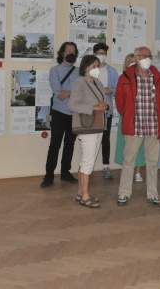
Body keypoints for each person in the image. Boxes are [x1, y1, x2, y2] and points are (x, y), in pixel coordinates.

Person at [116, 46, 160, 206]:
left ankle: (153, 194)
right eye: (143, 56)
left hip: (153, 125)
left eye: (149, 55)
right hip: (134, 126)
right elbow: (120, 102)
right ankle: (124, 193)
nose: (146, 58)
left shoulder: (158, 77)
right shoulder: (125, 77)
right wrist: (128, 115)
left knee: (153, 162)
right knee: (129, 160)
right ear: (136, 58)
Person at [69, 55, 108, 208]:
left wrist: (105, 106)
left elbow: (102, 101)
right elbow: (72, 105)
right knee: (88, 162)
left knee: (86, 160)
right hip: (87, 126)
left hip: (98, 125)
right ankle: (85, 196)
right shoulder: (79, 82)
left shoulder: (97, 82)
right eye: (94, 66)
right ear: (85, 68)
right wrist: (93, 108)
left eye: (98, 66)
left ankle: (80, 192)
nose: (97, 69)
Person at [41, 42, 80, 187]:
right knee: (55, 145)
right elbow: (59, 94)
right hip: (58, 113)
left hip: (74, 113)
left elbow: (82, 92)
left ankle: (65, 173)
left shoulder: (79, 71)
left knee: (70, 144)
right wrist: (72, 92)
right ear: (62, 53)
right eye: (68, 50)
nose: (71, 53)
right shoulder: (55, 70)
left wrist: (68, 92)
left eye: (73, 51)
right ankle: (49, 175)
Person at [114, 53, 146, 182]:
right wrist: (125, 113)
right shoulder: (122, 78)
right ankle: (127, 171)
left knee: (139, 146)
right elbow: (118, 98)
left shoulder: (144, 77)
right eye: (130, 62)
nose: (133, 64)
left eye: (135, 62)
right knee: (126, 145)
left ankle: (138, 172)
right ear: (126, 65)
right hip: (126, 117)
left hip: (141, 117)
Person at [92, 43, 119, 180]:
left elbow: (117, 89)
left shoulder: (112, 71)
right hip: (91, 110)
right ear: (94, 54)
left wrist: (111, 90)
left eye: (103, 53)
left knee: (105, 139)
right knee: (91, 139)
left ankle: (106, 166)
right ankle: (87, 167)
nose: (101, 56)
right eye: (99, 53)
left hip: (106, 110)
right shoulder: (90, 69)